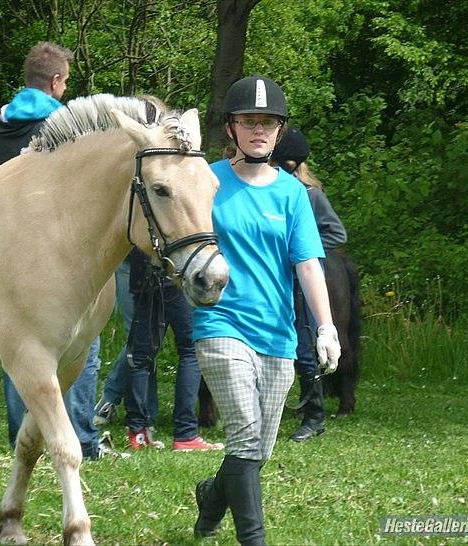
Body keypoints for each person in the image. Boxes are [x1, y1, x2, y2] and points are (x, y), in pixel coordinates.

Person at [191, 76, 341, 545]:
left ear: (279, 131)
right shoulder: (207, 181)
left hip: (277, 335)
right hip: (220, 323)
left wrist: (326, 327)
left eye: (269, 123)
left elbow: (308, 264)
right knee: (245, 435)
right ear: (232, 128)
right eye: (250, 121)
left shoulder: (293, 194)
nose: (260, 130)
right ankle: (253, 539)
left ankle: (212, 495)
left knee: (257, 451)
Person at [0, 41, 108, 460]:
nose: (66, 90)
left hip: (5, 252)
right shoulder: (67, 128)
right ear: (55, 81)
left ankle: (22, 437)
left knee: (18, 348)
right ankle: (83, 440)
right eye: (66, 82)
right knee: (83, 345)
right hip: (58, 254)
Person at [270, 127, 348, 442]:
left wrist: (302, 249)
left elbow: (337, 234)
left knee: (305, 347)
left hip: (299, 283)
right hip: (271, 281)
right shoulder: (271, 189)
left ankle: (315, 415)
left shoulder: (310, 194)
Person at [123, 249, 224, 451]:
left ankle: (138, 432)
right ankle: (186, 433)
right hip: (176, 275)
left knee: (141, 355)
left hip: (142, 272)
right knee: (190, 351)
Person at [93, 254, 160, 427]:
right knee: (141, 337)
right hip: (133, 264)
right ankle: (111, 399)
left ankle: (146, 411)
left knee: (147, 339)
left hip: (161, 264)